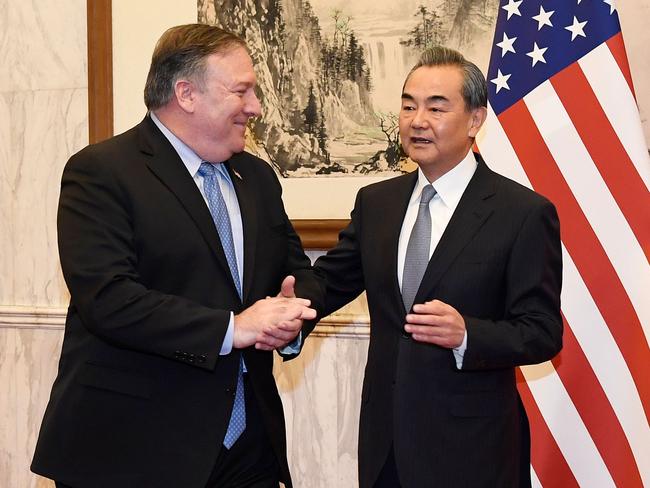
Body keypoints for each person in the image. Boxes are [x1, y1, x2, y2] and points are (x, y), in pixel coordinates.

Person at [31, 24, 322, 488]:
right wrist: (235, 327)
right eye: (242, 91)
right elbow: (108, 299)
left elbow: (294, 274)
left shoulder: (257, 178)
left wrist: (292, 316)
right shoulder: (102, 172)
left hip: (249, 448)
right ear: (186, 93)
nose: (256, 107)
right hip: (135, 447)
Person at [313, 46, 563, 488]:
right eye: (408, 105)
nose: (417, 120)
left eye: (436, 107)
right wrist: (283, 306)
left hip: (472, 450)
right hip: (385, 445)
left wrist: (468, 334)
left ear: (474, 120)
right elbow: (332, 282)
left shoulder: (521, 212)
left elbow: (541, 332)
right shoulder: (378, 203)